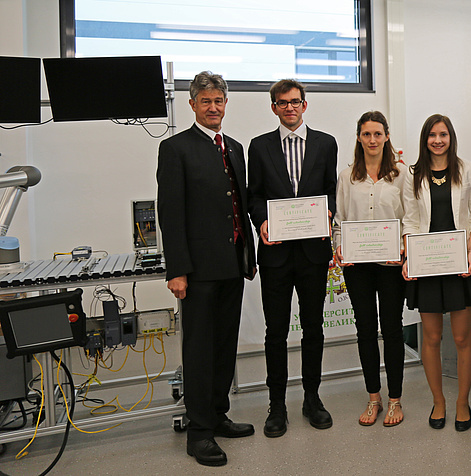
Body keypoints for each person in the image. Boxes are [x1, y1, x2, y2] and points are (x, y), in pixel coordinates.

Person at [156, 71, 256, 467]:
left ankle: (217, 415)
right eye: (206, 101)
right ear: (193, 104)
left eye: (219, 101)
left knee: (224, 346)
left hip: (232, 265)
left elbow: (241, 204)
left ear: (226, 104)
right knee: (198, 350)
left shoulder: (233, 147)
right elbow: (171, 214)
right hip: (197, 270)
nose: (213, 107)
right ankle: (198, 432)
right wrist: (176, 269)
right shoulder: (175, 148)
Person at [247, 79, 338, 437]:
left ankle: (312, 398)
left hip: (313, 253)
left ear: (305, 104)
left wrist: (328, 214)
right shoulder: (259, 147)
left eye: (295, 102)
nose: (290, 108)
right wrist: (262, 222)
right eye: (282, 103)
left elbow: (330, 190)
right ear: (274, 107)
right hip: (276, 255)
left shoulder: (325, 143)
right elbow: (254, 196)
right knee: (276, 332)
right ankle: (277, 405)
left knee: (313, 328)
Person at [401, 114, 471, 432]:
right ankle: (439, 401)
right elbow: (410, 221)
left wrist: (470, 252)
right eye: (432, 135)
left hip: (460, 263)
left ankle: (462, 402)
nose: (438, 140)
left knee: (463, 337)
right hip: (427, 266)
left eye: (443, 134)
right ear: (425, 140)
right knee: (432, 337)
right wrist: (409, 255)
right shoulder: (412, 174)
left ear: (451, 137)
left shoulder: (467, 170)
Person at [332, 111, 409, 427]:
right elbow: (339, 220)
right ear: (359, 137)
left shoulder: (402, 175)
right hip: (358, 267)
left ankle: (395, 401)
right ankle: (373, 398)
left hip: (392, 265)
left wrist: (404, 245)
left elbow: (411, 218)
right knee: (365, 329)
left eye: (378, 134)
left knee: (392, 329)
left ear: (387, 136)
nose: (373, 140)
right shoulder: (347, 177)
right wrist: (339, 245)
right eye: (367, 134)